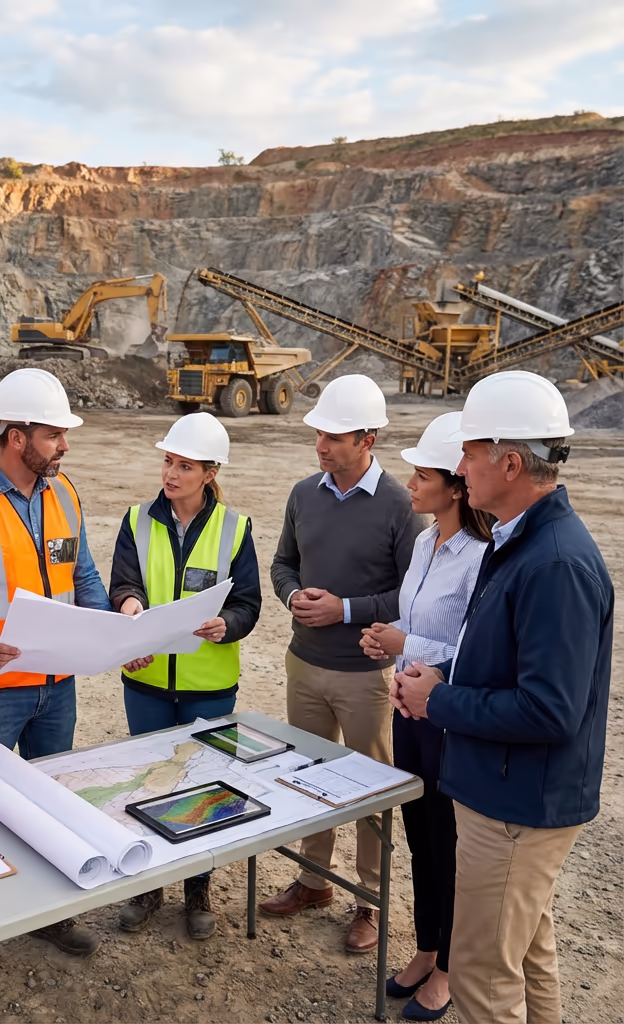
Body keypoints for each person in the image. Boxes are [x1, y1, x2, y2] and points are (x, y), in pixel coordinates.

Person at [394, 371, 612, 1024]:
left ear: (510, 462)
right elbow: (496, 660)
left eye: (468, 453)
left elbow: (550, 709)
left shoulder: (553, 564)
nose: (460, 468)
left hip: (518, 805)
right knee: (529, 956)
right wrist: (435, 675)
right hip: (504, 790)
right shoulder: (518, 542)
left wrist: (439, 701)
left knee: (485, 980)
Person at [0, 367, 113, 998]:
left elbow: (83, 577)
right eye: (54, 435)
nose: (64, 446)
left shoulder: (64, 494)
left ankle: (49, 916)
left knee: (52, 804)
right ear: (15, 437)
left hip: (56, 687)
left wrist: (111, 629)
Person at [262, 373, 427, 954]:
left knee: (369, 790)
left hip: (367, 676)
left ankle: (369, 902)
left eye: (334, 436)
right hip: (304, 664)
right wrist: (292, 596)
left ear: (367, 439)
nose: (321, 446)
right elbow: (282, 564)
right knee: (310, 777)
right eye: (319, 434)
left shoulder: (402, 506)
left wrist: (345, 609)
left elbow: (413, 595)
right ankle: (314, 882)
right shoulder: (303, 494)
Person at [108, 412, 261, 939]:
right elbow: (124, 582)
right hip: (147, 681)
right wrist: (128, 604)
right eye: (169, 462)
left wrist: (228, 624)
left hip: (208, 686)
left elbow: (247, 603)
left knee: (201, 787)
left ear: (210, 473)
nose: (171, 473)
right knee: (148, 782)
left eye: (185, 466)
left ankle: (197, 888)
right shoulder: (136, 520)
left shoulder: (234, 528)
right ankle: (149, 885)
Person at [359, 412, 491, 1022]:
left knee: (448, 842)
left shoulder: (482, 556)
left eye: (423, 476)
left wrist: (406, 645)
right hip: (408, 709)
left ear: (456, 486)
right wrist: (389, 636)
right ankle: (427, 948)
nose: (410, 484)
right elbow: (414, 622)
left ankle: (449, 970)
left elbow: (473, 649)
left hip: (448, 718)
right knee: (418, 835)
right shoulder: (422, 542)